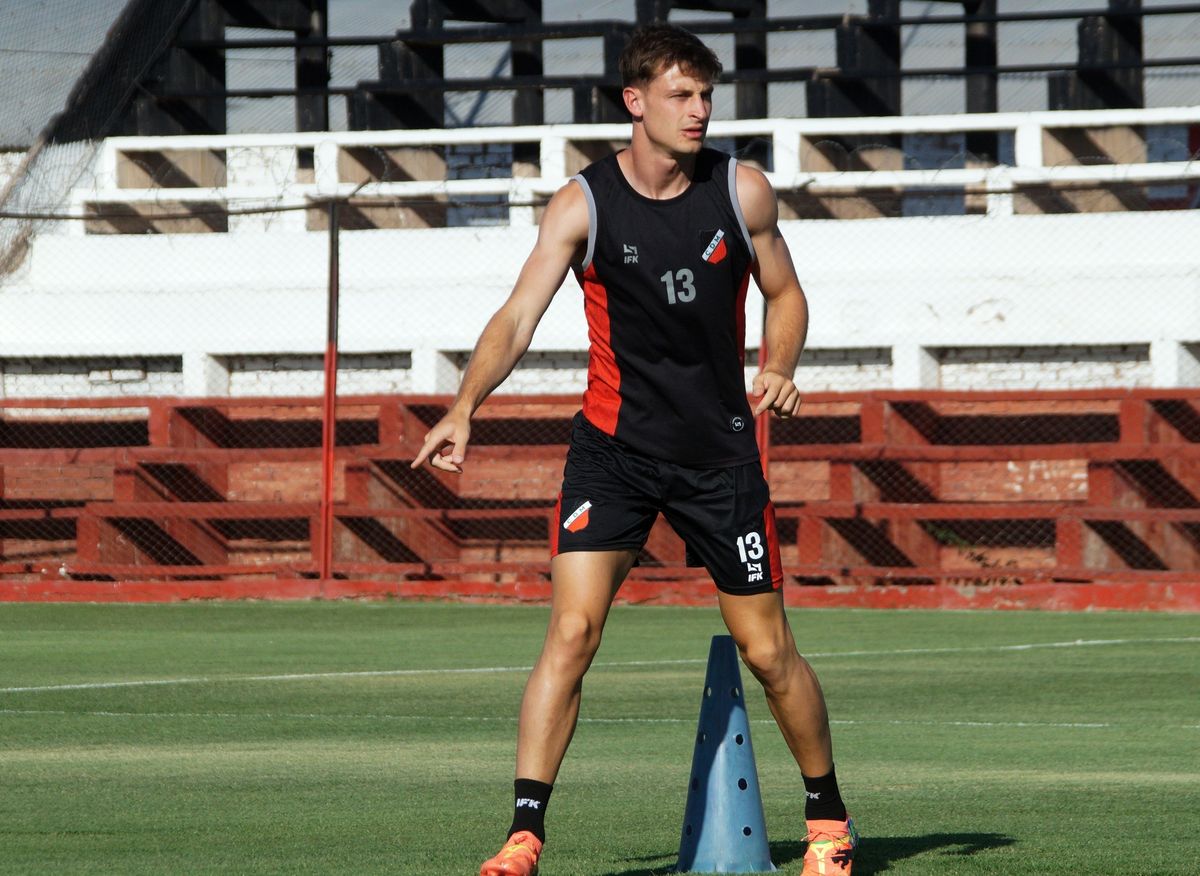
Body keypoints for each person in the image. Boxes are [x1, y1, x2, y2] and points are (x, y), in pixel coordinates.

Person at [411, 23, 857, 876]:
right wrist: (464, 406)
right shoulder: (582, 205)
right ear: (635, 101)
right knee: (571, 633)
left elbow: (787, 292)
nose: (699, 111)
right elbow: (516, 317)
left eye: (706, 96)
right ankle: (523, 834)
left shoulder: (742, 191)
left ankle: (829, 820)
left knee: (767, 652)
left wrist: (780, 365)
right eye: (681, 95)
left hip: (721, 458)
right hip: (611, 452)